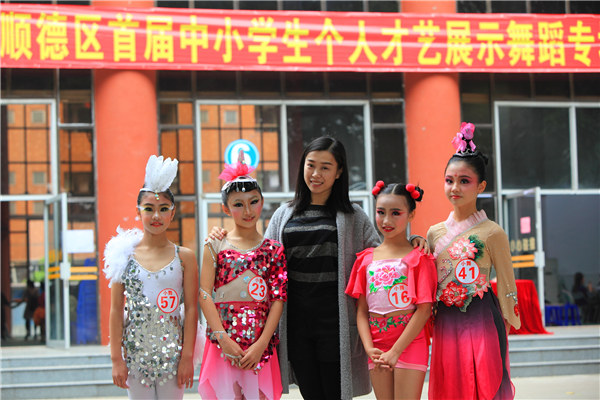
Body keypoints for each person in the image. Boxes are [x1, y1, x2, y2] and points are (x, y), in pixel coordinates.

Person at [210, 136, 427, 399]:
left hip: (336, 324)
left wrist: (413, 241)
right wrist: (225, 237)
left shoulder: (353, 216)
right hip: (296, 324)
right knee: (310, 393)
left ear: (339, 172)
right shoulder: (283, 215)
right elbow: (260, 259)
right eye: (311, 165)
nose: (316, 174)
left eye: (325, 167)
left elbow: (382, 254)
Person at [427, 123, 521, 400]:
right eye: (449, 180)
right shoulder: (433, 233)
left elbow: (507, 282)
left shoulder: (492, 232)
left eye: (464, 181)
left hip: (482, 317)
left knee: (483, 381)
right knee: (451, 383)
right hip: (446, 318)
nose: (455, 188)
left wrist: (506, 322)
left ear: (481, 186)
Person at [103, 155, 198, 399]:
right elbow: (115, 309)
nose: (156, 216)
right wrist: (116, 359)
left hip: (173, 356)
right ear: (138, 211)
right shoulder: (123, 255)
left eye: (163, 209)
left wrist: (187, 357)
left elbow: (191, 309)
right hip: (135, 357)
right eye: (149, 209)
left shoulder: (185, 257)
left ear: (172, 213)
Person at [198, 152, 287, 400]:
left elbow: (278, 299)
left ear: (262, 202)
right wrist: (223, 338)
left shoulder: (274, 249)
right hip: (223, 345)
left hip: (260, 347)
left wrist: (262, 343)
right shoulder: (214, 245)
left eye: (253, 201)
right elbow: (204, 293)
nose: (248, 210)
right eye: (238, 204)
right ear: (225, 209)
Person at [346, 181, 437, 400]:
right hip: (376, 347)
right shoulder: (365, 259)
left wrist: (395, 351)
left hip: (410, 343)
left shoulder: (419, 257)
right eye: (381, 212)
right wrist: (369, 348)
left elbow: (424, 310)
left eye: (396, 213)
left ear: (411, 215)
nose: (387, 220)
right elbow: (361, 311)